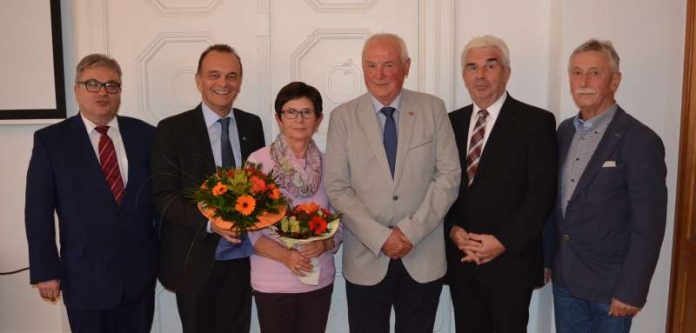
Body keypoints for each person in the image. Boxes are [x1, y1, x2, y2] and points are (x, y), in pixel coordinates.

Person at [324, 33, 461, 333]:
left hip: (422, 254)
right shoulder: (343, 117)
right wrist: (380, 237)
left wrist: (410, 231)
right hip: (366, 256)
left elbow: (449, 177)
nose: (379, 75)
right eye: (371, 66)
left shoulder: (433, 109)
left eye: (389, 65)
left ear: (407, 66)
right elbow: (336, 186)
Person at [25, 54, 157, 332]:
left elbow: (159, 201)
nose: (103, 92)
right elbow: (38, 211)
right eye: (93, 84)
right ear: (76, 89)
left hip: (138, 276)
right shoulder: (51, 141)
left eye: (112, 85)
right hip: (84, 277)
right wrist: (46, 271)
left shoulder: (146, 136)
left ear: (120, 91)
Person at [543, 39, 667, 332]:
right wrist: (546, 259)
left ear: (615, 80)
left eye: (595, 73)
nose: (583, 82)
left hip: (612, 290)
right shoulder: (562, 132)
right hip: (566, 282)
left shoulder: (640, 141)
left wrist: (632, 289)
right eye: (576, 72)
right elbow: (553, 203)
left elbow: (649, 224)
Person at [445, 35, 558, 332]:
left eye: (489, 66)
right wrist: (452, 231)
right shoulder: (449, 123)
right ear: (463, 76)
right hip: (463, 261)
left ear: (506, 72)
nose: (480, 76)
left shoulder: (536, 122)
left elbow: (541, 196)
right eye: (472, 67)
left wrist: (502, 242)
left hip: (511, 264)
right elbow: (439, 186)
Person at [151, 44, 265, 333]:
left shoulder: (252, 125)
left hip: (243, 260)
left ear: (240, 81)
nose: (223, 83)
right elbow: (164, 197)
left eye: (231, 76)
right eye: (214, 75)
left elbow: (259, 188)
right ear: (198, 80)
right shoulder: (172, 129)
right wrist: (211, 223)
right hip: (194, 259)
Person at [245, 81, 342, 333]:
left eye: (307, 112)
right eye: (291, 112)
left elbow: (341, 219)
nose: (299, 119)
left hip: (317, 277)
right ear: (278, 118)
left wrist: (325, 243)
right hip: (272, 279)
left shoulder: (329, 163)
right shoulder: (259, 161)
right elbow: (249, 227)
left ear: (318, 119)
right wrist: (287, 256)